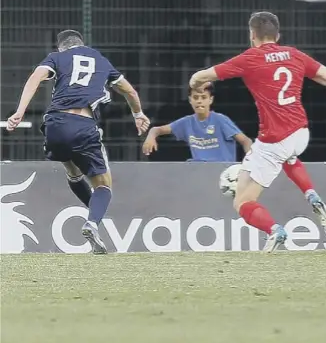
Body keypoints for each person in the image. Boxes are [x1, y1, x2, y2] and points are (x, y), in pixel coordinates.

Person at [189, 11, 326, 253]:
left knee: (243, 201)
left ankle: (274, 230)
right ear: (277, 35)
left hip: (274, 140)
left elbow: (201, 76)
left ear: (252, 35)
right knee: (288, 155)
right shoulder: (295, 54)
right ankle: (311, 194)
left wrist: (195, 83)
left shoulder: (250, 58)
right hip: (301, 133)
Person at [6, 30, 149, 254]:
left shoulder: (57, 57)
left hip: (54, 124)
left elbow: (36, 76)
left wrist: (20, 111)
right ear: (81, 44)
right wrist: (138, 114)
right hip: (83, 125)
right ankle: (92, 221)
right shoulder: (100, 60)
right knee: (104, 186)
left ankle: (92, 215)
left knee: (73, 173)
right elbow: (129, 90)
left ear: (62, 47)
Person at [142, 85, 252, 161]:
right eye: (196, 97)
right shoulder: (187, 122)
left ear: (210, 99)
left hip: (222, 173)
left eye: (203, 97)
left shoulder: (220, 120)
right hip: (198, 172)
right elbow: (158, 130)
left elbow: (246, 141)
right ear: (190, 100)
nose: (199, 101)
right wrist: (151, 136)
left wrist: (249, 164)